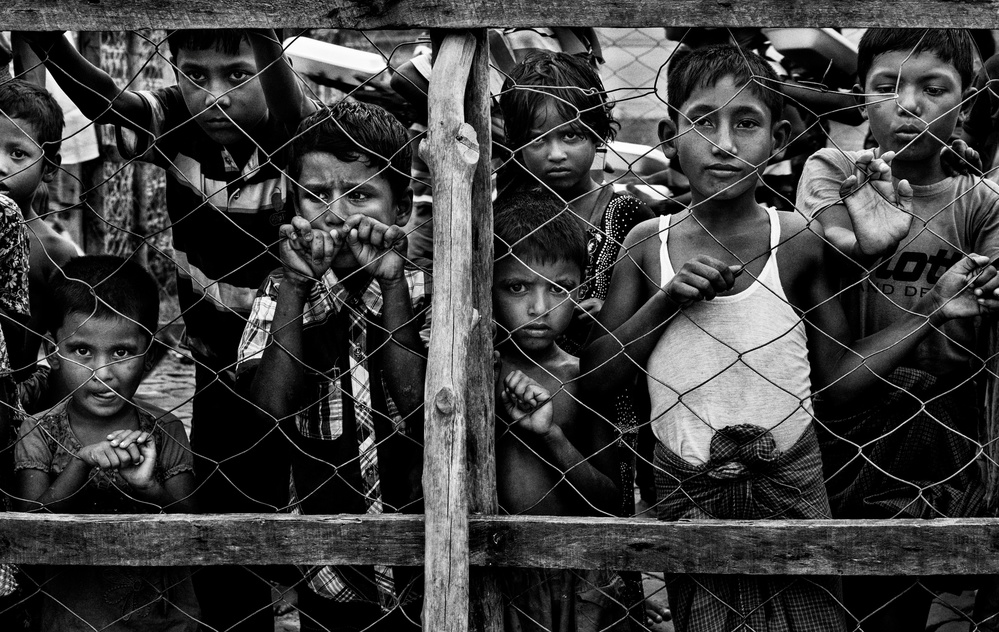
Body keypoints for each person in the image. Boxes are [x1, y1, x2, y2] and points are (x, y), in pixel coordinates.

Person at [580, 43, 999, 632]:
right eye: (703, 121)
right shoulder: (648, 242)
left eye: (745, 123)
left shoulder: (798, 241)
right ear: (670, 134)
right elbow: (594, 381)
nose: (724, 143)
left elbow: (841, 384)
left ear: (778, 140)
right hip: (687, 483)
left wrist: (928, 310)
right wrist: (664, 302)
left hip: (793, 481)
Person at [19, 28, 318, 630]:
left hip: (301, 366)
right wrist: (50, 44)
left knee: (313, 523)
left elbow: (285, 100)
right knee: (230, 533)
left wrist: (267, 34)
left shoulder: (297, 132)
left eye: (238, 73)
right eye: (195, 73)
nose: (214, 97)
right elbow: (108, 97)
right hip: (215, 368)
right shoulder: (175, 123)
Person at [796, 28, 999, 631]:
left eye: (933, 89)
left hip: (942, 411)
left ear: (964, 103)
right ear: (861, 97)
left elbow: (983, 301)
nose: (907, 104)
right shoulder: (834, 166)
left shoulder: (976, 200)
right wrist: (863, 241)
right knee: (833, 583)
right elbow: (826, 240)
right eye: (887, 87)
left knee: (899, 593)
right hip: (847, 402)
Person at [235, 100, 427, 632]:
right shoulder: (281, 293)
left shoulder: (425, 290)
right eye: (317, 195)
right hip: (327, 562)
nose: (336, 214)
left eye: (360, 194)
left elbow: (419, 404)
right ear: (292, 202)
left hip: (424, 543)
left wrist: (390, 285)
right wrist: (296, 286)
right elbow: (270, 411)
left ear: (402, 208)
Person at [13, 255, 199, 631]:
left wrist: (148, 488)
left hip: (160, 617)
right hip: (73, 618)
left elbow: (193, 525)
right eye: (82, 351)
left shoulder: (164, 429)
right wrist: (80, 464)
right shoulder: (38, 430)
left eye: (121, 352)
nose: (103, 374)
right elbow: (29, 527)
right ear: (54, 351)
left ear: (148, 353)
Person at [491, 189, 628, 632]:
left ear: (580, 287)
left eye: (558, 288)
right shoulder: (471, 373)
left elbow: (610, 500)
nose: (539, 309)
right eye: (516, 287)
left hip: (576, 570)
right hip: (492, 567)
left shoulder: (584, 377)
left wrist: (552, 437)